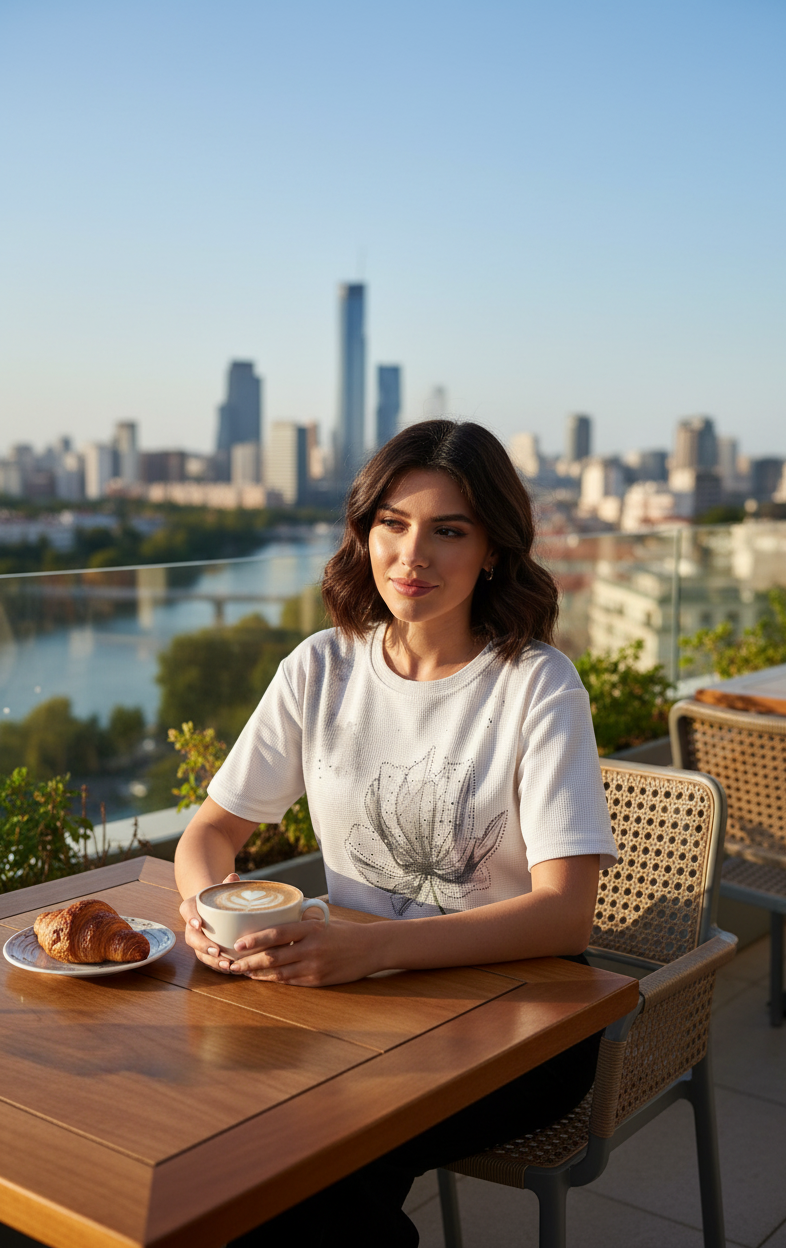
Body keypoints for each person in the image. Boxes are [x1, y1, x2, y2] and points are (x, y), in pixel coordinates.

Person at [175, 419, 618, 1246]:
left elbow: (567, 916)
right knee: (225, 1145)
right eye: (393, 523)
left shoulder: (538, 685)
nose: (412, 556)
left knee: (314, 1168)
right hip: (355, 1008)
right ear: (364, 532)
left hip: (519, 1018)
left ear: (493, 550)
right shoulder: (320, 667)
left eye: (448, 531)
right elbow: (210, 831)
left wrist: (373, 949)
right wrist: (207, 910)